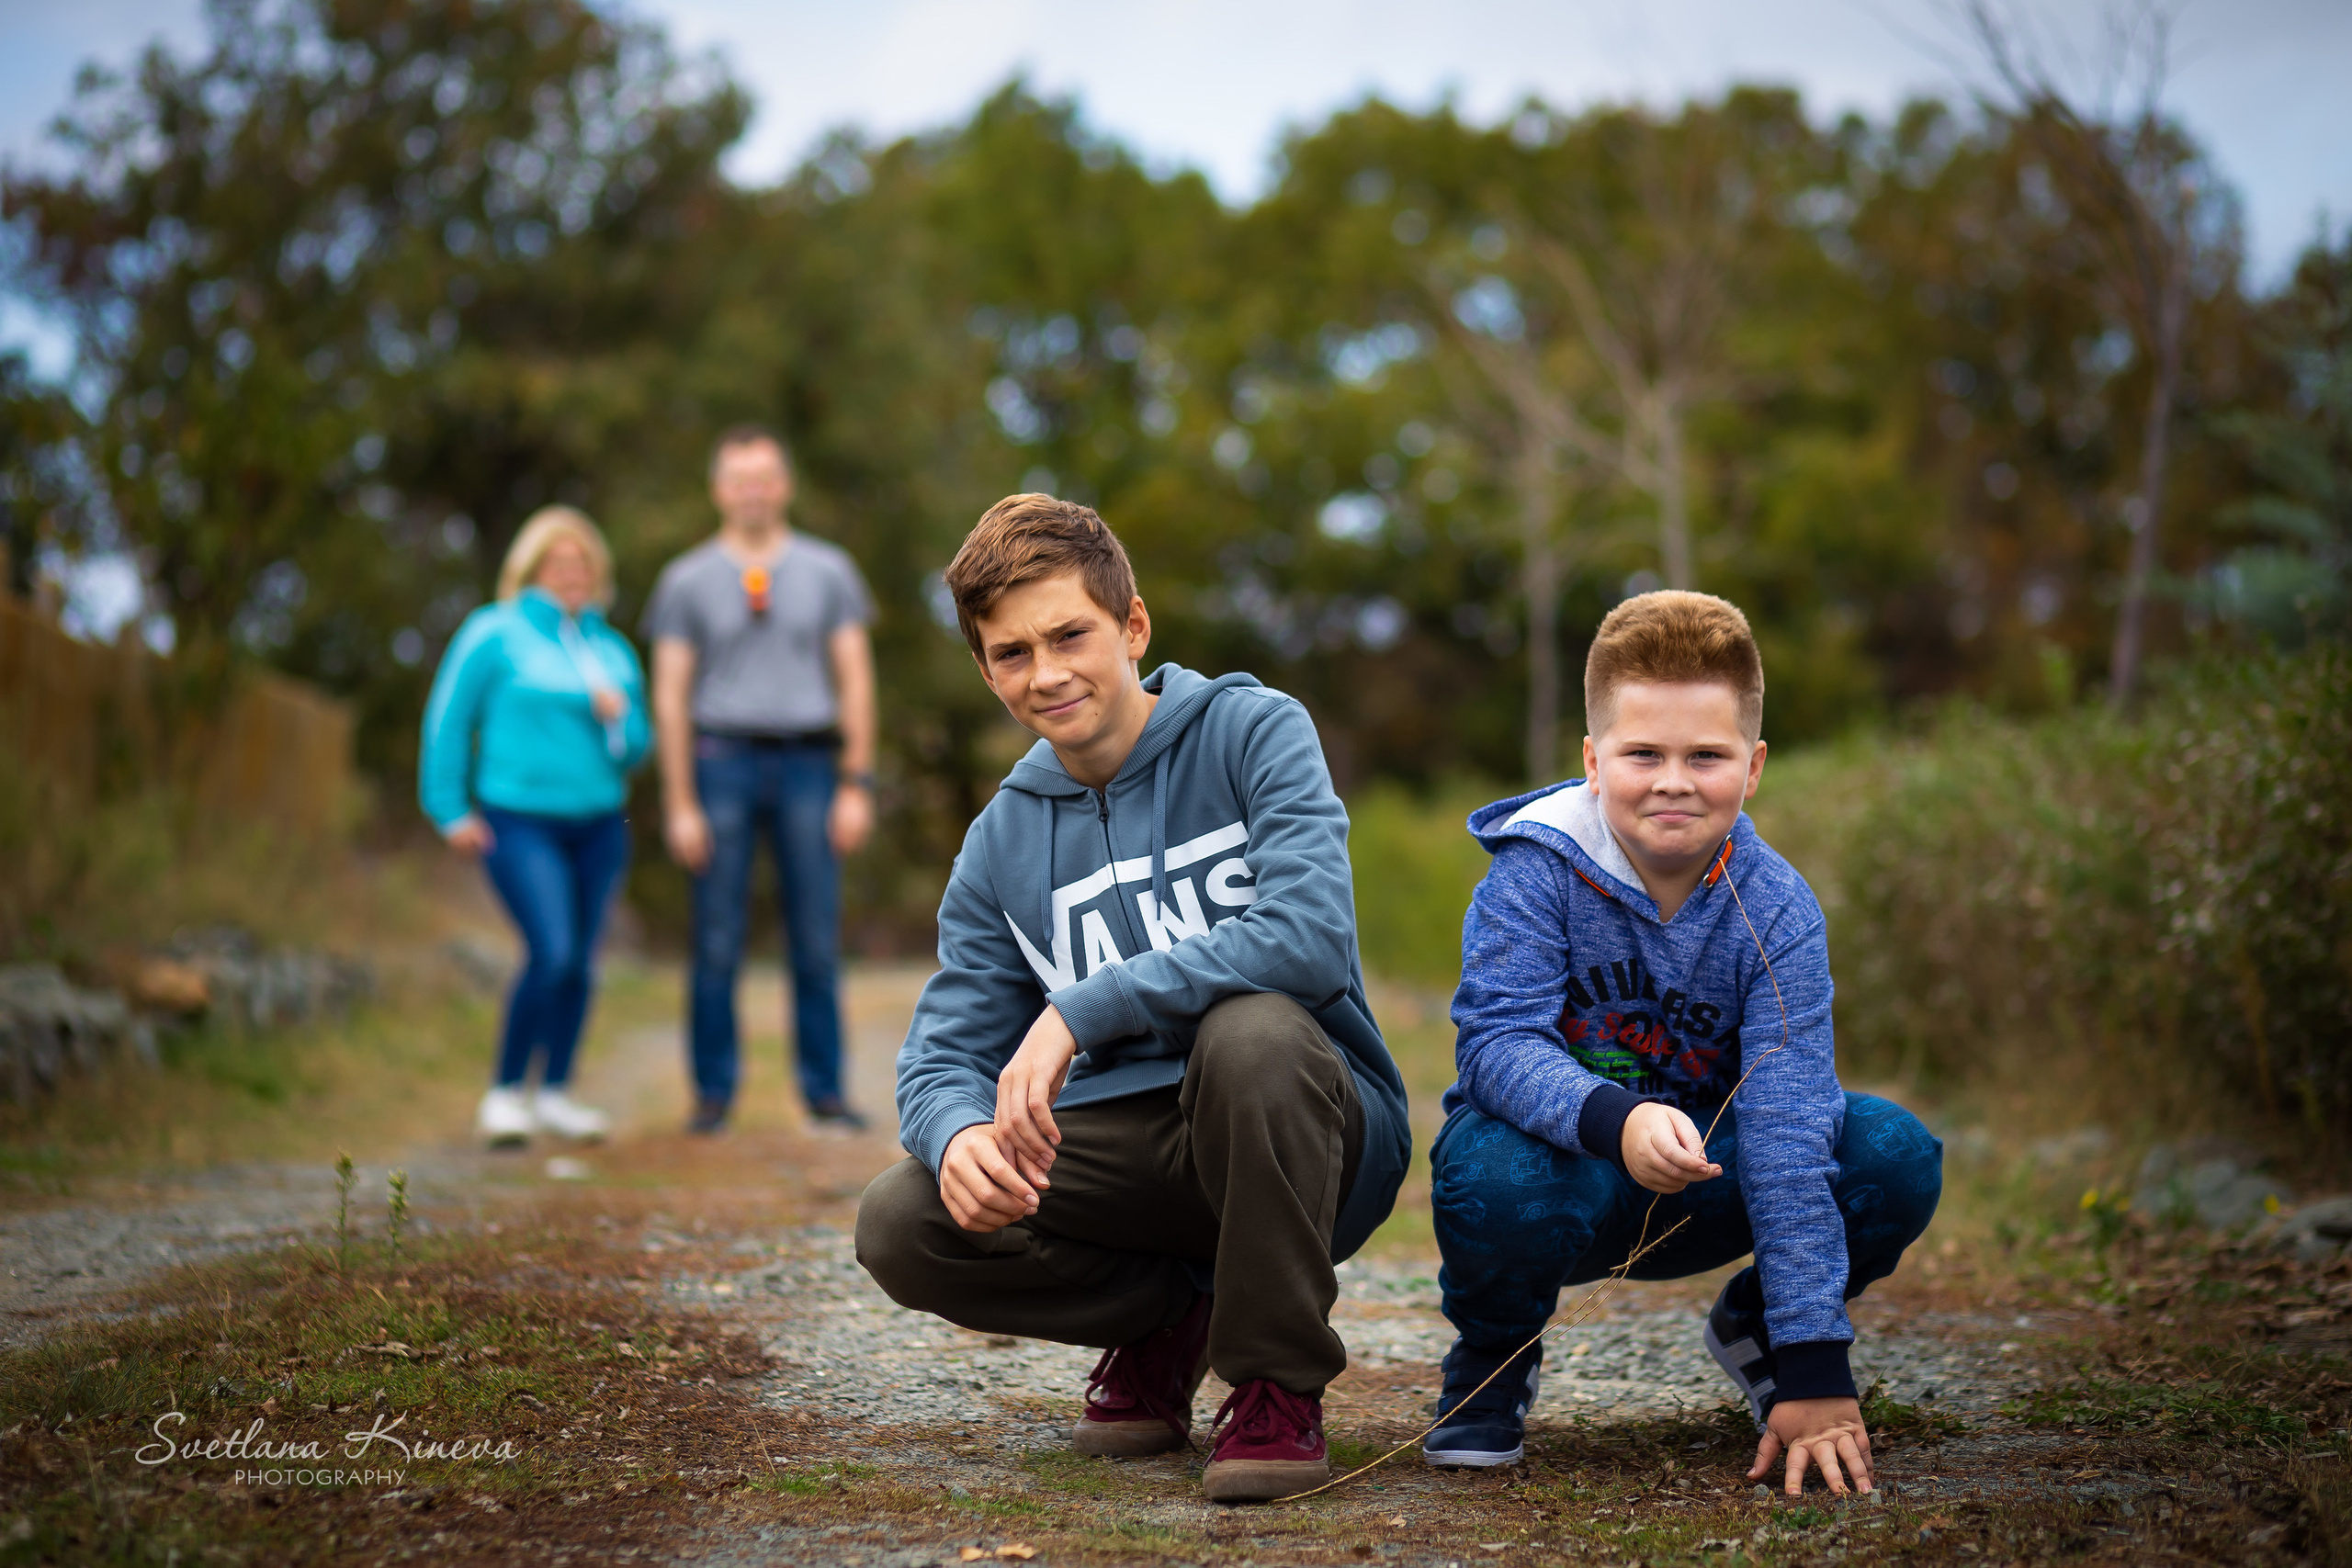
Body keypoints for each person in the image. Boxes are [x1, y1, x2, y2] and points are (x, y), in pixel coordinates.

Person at [854, 495, 1411, 1506]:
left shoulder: (1252, 731)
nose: (1046, 673)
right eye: (1012, 652)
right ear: (985, 670)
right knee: (902, 1217)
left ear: (1133, 626)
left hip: (1312, 1125)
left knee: (1251, 1034)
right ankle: (1168, 1316)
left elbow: (1308, 938)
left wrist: (1081, 1009)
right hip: (1137, 1158)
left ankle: (1275, 1384)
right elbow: (941, 1056)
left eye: (1070, 635)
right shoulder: (1000, 842)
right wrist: (957, 1137)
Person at [1423, 591, 1942, 1496]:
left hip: (1709, 1179)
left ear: (1753, 766)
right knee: (1489, 1168)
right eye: (1642, 754)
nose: (1673, 780)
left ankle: (1763, 1331)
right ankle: (1492, 1362)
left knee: (1892, 1151)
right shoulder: (1532, 873)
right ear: (1593, 761)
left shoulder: (1777, 910)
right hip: (1570, 1174)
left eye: (1706, 755)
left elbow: (1787, 1119)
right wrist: (1616, 1119)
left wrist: (1816, 1364)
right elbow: (1497, 1047)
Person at [643, 426, 877, 1135]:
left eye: (765, 477)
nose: (754, 491)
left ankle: (825, 1092)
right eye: (740, 479)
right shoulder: (685, 580)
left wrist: (857, 782)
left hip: (810, 763)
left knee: (816, 936)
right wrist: (679, 801)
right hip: (720, 763)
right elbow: (670, 696)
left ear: (785, 485)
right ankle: (712, 1094)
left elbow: (856, 678)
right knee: (716, 938)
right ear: (719, 489)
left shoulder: (829, 570)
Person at [420, 506, 651, 1147]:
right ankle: (503, 1094)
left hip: (600, 825)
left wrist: (620, 715)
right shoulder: (494, 632)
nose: (572, 574)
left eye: (583, 564)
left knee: (580, 962)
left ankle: (555, 1093)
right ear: (530, 568)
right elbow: (448, 718)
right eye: (558, 562)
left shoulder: (611, 649)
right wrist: (448, 808)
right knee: (551, 950)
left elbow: (637, 749)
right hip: (519, 820)